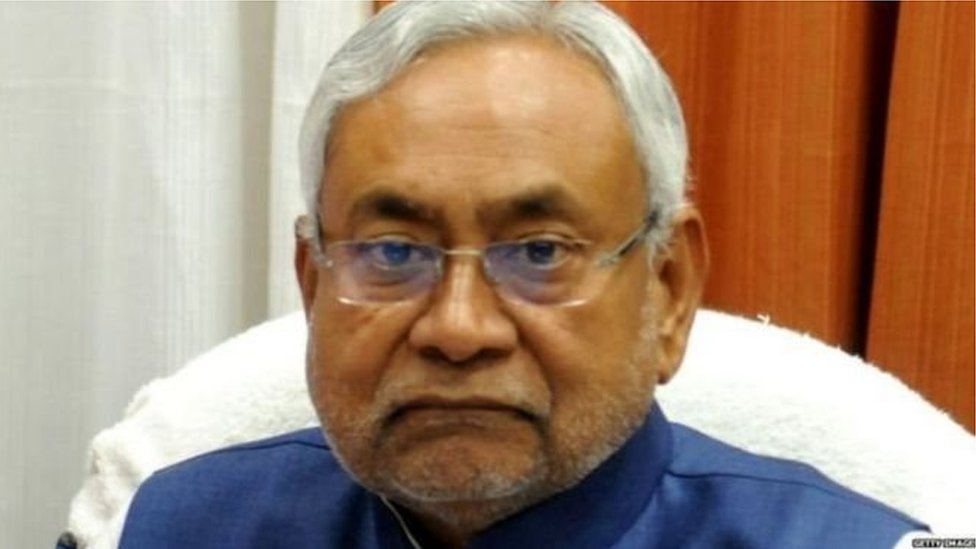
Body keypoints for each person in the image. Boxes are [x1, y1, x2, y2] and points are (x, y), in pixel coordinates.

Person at [106, 2, 926, 547]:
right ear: (314, 286)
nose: (458, 329)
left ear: (669, 291)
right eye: (393, 251)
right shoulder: (184, 524)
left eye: (538, 251)